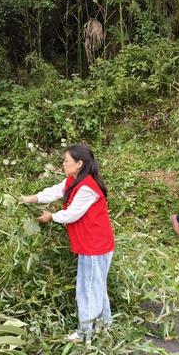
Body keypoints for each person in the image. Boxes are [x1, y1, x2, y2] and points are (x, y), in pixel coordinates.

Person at [20, 144, 114, 344]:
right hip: (91, 244)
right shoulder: (74, 179)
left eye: (66, 161)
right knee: (96, 286)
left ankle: (85, 334)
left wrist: (51, 217)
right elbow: (55, 191)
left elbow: (72, 214)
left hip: (95, 246)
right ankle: (104, 326)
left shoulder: (87, 187)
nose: (63, 164)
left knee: (88, 289)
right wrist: (32, 198)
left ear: (79, 163)